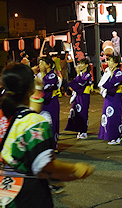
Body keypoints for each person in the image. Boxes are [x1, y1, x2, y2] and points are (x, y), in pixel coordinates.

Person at [0, 62, 93, 208]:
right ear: (30, 88)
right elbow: (44, 166)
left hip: (7, 190)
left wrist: (34, 89)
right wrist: (75, 169)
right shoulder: (34, 122)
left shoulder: (7, 117)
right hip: (29, 195)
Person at [98, 56, 122, 145]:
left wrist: (111, 76)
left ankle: (116, 136)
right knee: (107, 115)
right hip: (108, 96)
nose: (109, 63)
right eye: (108, 61)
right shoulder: (108, 72)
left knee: (114, 115)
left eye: (111, 61)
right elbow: (102, 83)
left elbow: (113, 83)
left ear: (116, 63)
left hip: (115, 96)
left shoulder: (118, 72)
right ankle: (107, 135)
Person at [65, 58, 93, 139]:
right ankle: (79, 129)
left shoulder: (87, 74)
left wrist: (77, 75)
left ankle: (84, 131)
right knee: (76, 112)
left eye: (82, 64)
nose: (80, 66)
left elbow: (81, 83)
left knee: (83, 112)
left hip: (84, 96)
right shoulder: (81, 74)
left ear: (87, 65)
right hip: (78, 95)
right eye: (79, 64)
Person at [38, 56, 61, 148]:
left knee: (52, 123)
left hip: (51, 102)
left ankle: (53, 145)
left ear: (49, 65)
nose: (40, 65)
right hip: (44, 102)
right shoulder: (41, 75)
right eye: (39, 63)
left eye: (42, 63)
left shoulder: (52, 75)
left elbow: (44, 88)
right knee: (43, 123)